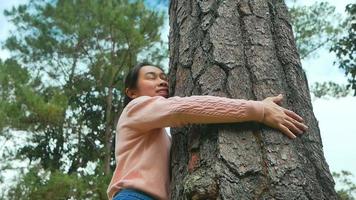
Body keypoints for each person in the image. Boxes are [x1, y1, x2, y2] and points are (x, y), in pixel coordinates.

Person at [107, 62, 308, 200]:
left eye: (163, 77)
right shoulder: (136, 107)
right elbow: (183, 109)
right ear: (131, 92)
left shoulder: (154, 129)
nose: (162, 81)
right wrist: (259, 110)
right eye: (151, 77)